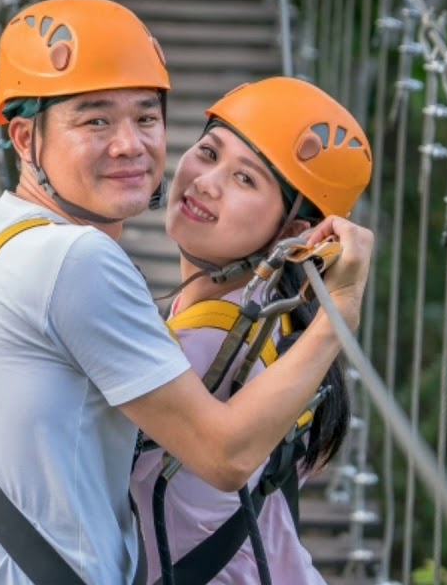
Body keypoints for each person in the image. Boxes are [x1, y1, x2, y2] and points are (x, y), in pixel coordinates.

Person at [0, 0, 374, 584]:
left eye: (146, 118)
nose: (130, 144)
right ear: (25, 139)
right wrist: (337, 316)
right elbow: (225, 455)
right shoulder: (81, 260)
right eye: (96, 121)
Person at [130, 77, 371, 585]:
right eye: (208, 152)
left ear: (295, 235)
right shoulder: (276, 321)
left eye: (245, 179)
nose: (205, 182)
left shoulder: (207, 345)